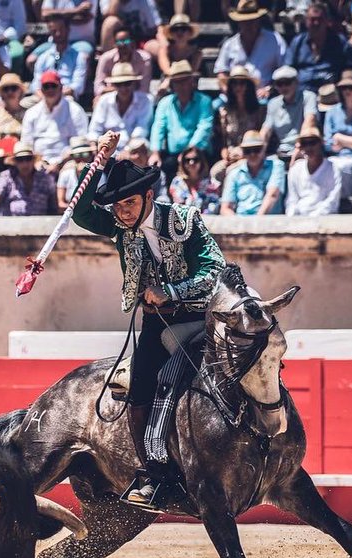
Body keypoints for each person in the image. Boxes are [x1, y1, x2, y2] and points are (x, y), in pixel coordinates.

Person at [70, 128, 227, 507]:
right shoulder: (121, 229)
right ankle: (157, 475)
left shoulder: (185, 220)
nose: (122, 212)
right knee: (141, 387)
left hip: (200, 319)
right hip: (158, 326)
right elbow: (80, 211)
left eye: (128, 204)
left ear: (148, 196)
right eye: (118, 206)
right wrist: (98, 162)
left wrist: (171, 292)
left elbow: (215, 267)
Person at [149, 60, 213, 180]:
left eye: (185, 81)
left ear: (192, 82)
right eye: (177, 82)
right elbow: (158, 127)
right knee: (158, 167)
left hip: (198, 154)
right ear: (172, 85)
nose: (182, 85)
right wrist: (155, 153)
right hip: (173, 156)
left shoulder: (204, 101)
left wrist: (187, 153)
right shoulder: (165, 103)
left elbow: (204, 128)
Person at [20, 69, 88, 167]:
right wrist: (37, 162)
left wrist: (60, 163)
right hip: (37, 164)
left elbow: (79, 143)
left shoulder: (75, 110)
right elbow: (27, 144)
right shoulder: (31, 113)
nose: (50, 90)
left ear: (61, 88)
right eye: (46, 86)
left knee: (69, 172)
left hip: (67, 162)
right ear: (41, 90)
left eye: (53, 86)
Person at [215, 0, 285, 91]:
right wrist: (228, 92)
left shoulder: (275, 40)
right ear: (239, 23)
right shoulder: (229, 44)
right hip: (235, 94)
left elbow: (284, 70)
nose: (248, 25)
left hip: (266, 94)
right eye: (244, 21)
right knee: (216, 105)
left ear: (258, 21)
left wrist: (270, 88)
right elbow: (221, 72)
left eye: (252, 21)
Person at [283, 1, 347, 92]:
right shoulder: (298, 42)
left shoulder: (340, 42)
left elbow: (349, 69)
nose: (316, 23)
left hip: (330, 93)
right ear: (306, 22)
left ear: (327, 21)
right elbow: (287, 69)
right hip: (301, 93)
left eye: (320, 19)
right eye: (312, 19)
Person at [323, 69, 352, 196]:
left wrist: (340, 138)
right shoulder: (331, 112)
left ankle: (348, 201)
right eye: (344, 88)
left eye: (351, 87)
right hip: (336, 156)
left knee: (344, 167)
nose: (347, 91)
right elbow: (328, 142)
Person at [89, 62, 152, 150]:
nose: (123, 88)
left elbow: (141, 129)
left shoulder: (145, 100)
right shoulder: (104, 100)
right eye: (118, 84)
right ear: (113, 85)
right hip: (107, 149)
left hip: (134, 148)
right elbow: (94, 130)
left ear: (133, 83)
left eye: (127, 83)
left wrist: (127, 150)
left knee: (141, 145)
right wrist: (94, 145)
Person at [220, 128, 284, 215]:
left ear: (263, 149)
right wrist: (239, 225)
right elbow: (225, 208)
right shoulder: (234, 173)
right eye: (248, 150)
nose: (252, 154)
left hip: (269, 223)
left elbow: (273, 195)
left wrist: (256, 223)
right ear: (242, 152)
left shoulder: (276, 166)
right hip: (240, 223)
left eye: (256, 149)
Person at [285, 118, 340, 216]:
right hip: (299, 222)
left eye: (312, 143)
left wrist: (313, 218)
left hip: (324, 220)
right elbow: (292, 200)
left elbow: (332, 202)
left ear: (320, 143)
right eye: (304, 144)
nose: (308, 148)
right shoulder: (295, 169)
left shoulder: (333, 168)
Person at [0, 140, 56, 215]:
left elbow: (54, 206)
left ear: (33, 160)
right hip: (11, 224)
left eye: (28, 159)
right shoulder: (6, 177)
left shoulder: (45, 179)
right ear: (15, 162)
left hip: (40, 224)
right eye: (20, 159)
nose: (25, 164)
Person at [262, 65, 318, 157]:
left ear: (296, 82)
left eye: (287, 83)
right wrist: (258, 151)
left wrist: (300, 146)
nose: (283, 87)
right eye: (279, 84)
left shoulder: (308, 97)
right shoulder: (273, 103)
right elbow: (266, 131)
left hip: (306, 148)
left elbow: (310, 121)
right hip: (282, 152)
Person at [29, 13, 90, 97]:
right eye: (54, 31)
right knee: (24, 104)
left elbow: (77, 86)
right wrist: (45, 98)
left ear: (68, 29)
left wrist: (54, 97)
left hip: (66, 96)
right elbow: (36, 84)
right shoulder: (43, 57)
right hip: (43, 96)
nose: (58, 34)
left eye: (61, 30)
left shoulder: (78, 57)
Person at [216, 67, 266, 160]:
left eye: (242, 83)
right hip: (231, 155)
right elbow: (224, 143)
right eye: (235, 83)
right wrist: (225, 154)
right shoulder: (225, 112)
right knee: (215, 172)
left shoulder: (260, 110)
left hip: (252, 154)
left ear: (248, 86)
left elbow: (262, 137)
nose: (238, 87)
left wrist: (243, 151)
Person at [94, 23, 151, 96]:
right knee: (97, 100)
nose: (122, 45)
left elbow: (144, 89)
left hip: (136, 98)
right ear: (114, 44)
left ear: (133, 43)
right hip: (110, 96)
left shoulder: (144, 59)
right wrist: (120, 91)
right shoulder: (105, 58)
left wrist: (124, 93)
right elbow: (98, 88)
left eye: (126, 41)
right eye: (119, 42)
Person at [147, 13, 200, 81]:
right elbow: (167, 71)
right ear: (171, 33)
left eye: (183, 29)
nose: (179, 32)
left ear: (190, 32)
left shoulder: (196, 53)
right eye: (175, 29)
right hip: (169, 82)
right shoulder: (164, 50)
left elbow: (191, 73)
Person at [168, 144, 217, 213]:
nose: (191, 163)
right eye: (187, 160)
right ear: (183, 163)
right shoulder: (177, 182)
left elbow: (213, 205)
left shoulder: (211, 183)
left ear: (201, 162)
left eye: (195, 159)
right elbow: (178, 206)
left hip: (206, 219)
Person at [0, 71, 26, 141]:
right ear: (1, 93)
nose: (9, 92)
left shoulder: (28, 114)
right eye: (6, 89)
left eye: (13, 88)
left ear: (20, 91)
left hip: (21, 149)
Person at [54, 134, 92, 205]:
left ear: (90, 156)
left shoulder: (99, 175)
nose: (81, 159)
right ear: (72, 157)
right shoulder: (65, 174)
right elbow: (61, 204)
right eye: (77, 155)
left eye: (85, 154)